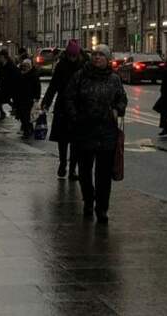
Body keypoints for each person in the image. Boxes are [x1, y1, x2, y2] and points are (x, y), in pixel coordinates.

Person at [66, 44, 127, 223]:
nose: (97, 57)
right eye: (95, 54)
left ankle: (102, 208)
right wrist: (75, 117)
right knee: (85, 171)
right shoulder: (80, 76)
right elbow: (69, 97)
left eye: (101, 55)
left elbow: (122, 98)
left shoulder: (114, 79)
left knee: (104, 174)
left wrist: (118, 109)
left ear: (107, 59)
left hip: (107, 131)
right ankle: (88, 200)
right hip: (84, 129)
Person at [42, 39, 86, 179]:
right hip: (63, 106)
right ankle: (62, 163)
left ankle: (72, 169)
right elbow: (53, 85)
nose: (72, 58)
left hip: (79, 106)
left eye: (74, 55)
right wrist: (46, 102)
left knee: (76, 141)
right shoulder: (61, 65)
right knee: (63, 139)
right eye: (70, 55)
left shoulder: (84, 65)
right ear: (67, 54)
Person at [16, 53, 42, 138]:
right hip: (22, 97)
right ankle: (29, 129)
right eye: (24, 66)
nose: (25, 67)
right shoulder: (21, 73)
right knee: (23, 115)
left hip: (29, 98)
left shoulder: (33, 75)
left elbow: (37, 87)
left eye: (26, 66)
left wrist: (37, 97)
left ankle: (27, 131)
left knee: (26, 115)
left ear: (30, 66)